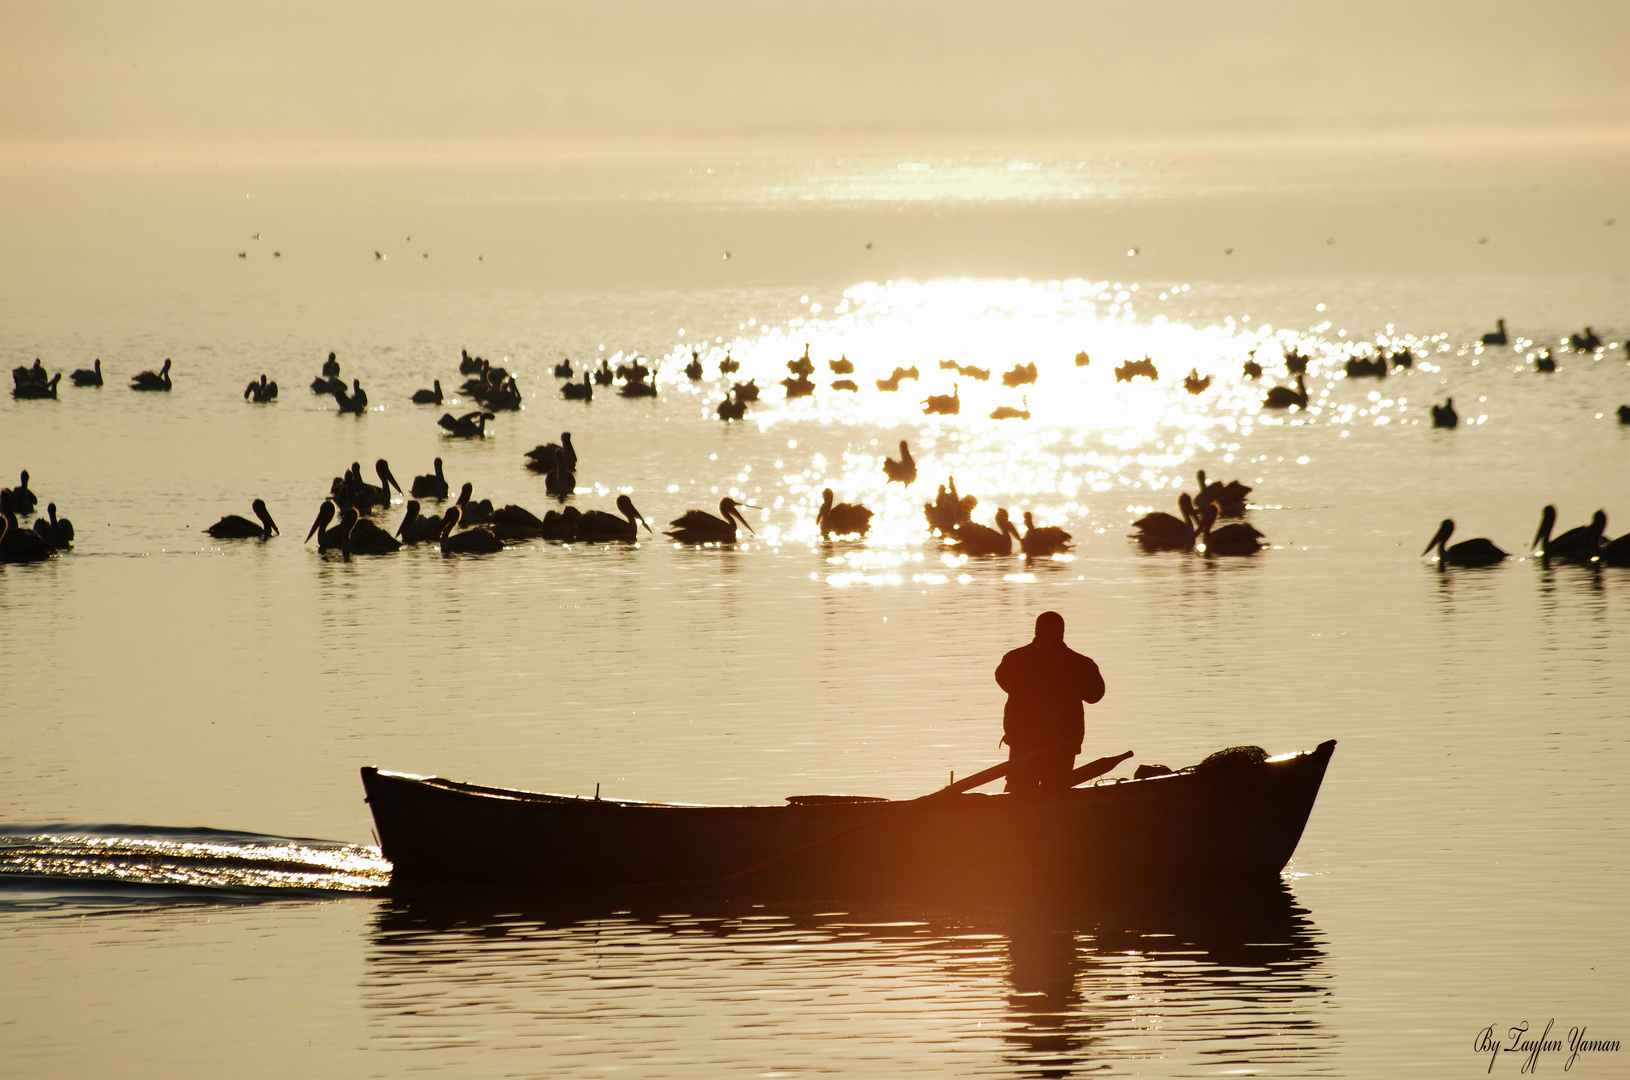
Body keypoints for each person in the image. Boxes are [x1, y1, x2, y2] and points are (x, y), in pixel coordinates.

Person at [995, 611, 1105, 793]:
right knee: (1018, 791)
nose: (1048, 637)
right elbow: (1004, 679)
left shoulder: (1078, 663)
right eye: (1044, 632)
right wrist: (1037, 659)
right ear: (1037, 632)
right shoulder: (1017, 659)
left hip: (1062, 746)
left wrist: (1064, 666)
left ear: (1061, 633)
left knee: (1056, 791)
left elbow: (1095, 694)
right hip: (1024, 743)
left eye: (1053, 632)